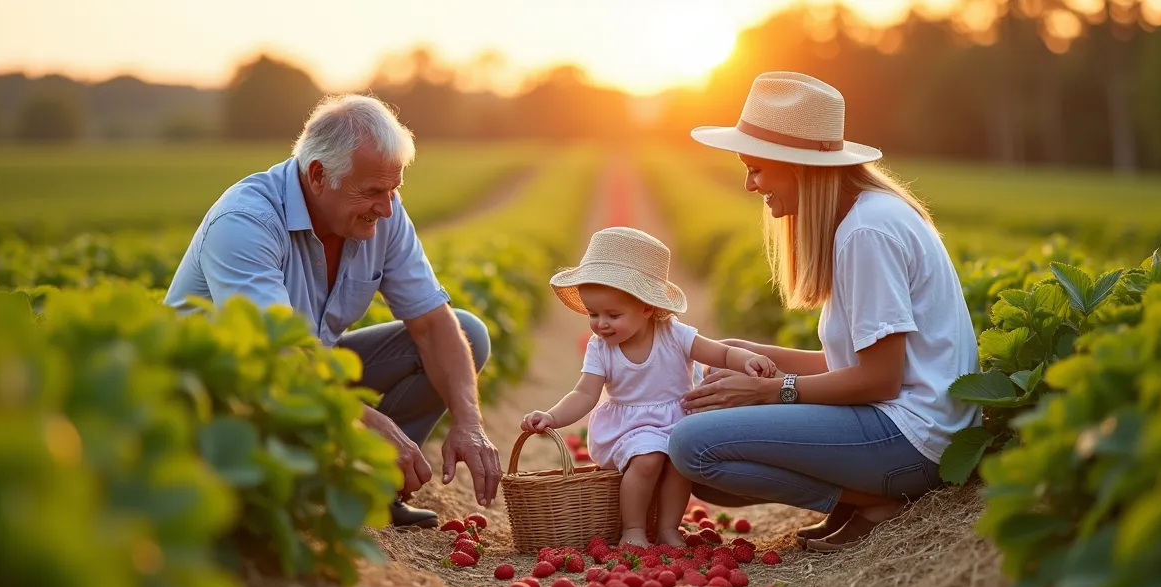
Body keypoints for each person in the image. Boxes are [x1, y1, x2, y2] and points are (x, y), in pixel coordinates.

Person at [669, 71, 982, 552]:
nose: (750, 184)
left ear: (797, 167)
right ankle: (863, 497)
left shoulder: (866, 232)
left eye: (755, 168)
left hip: (914, 438)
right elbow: (856, 366)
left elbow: (880, 380)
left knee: (694, 445)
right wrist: (756, 352)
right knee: (705, 471)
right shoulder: (858, 220)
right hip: (893, 421)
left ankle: (877, 501)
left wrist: (770, 391)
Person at [163, 93, 501, 528]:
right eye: (374, 191)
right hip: (227, 392)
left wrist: (469, 422)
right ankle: (286, 504)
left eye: (394, 189)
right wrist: (370, 423)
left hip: (310, 373)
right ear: (319, 175)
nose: (387, 207)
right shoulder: (245, 221)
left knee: (466, 332)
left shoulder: (382, 215)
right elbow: (274, 359)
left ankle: (376, 492)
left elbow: (433, 325)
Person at [521, 227, 777, 549]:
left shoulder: (675, 335)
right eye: (593, 314)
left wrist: (747, 359)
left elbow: (720, 352)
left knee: (679, 465)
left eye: (613, 314)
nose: (601, 324)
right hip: (631, 426)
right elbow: (584, 393)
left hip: (678, 418)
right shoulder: (601, 348)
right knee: (648, 458)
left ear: (647, 307)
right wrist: (552, 416)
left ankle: (668, 527)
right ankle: (633, 528)